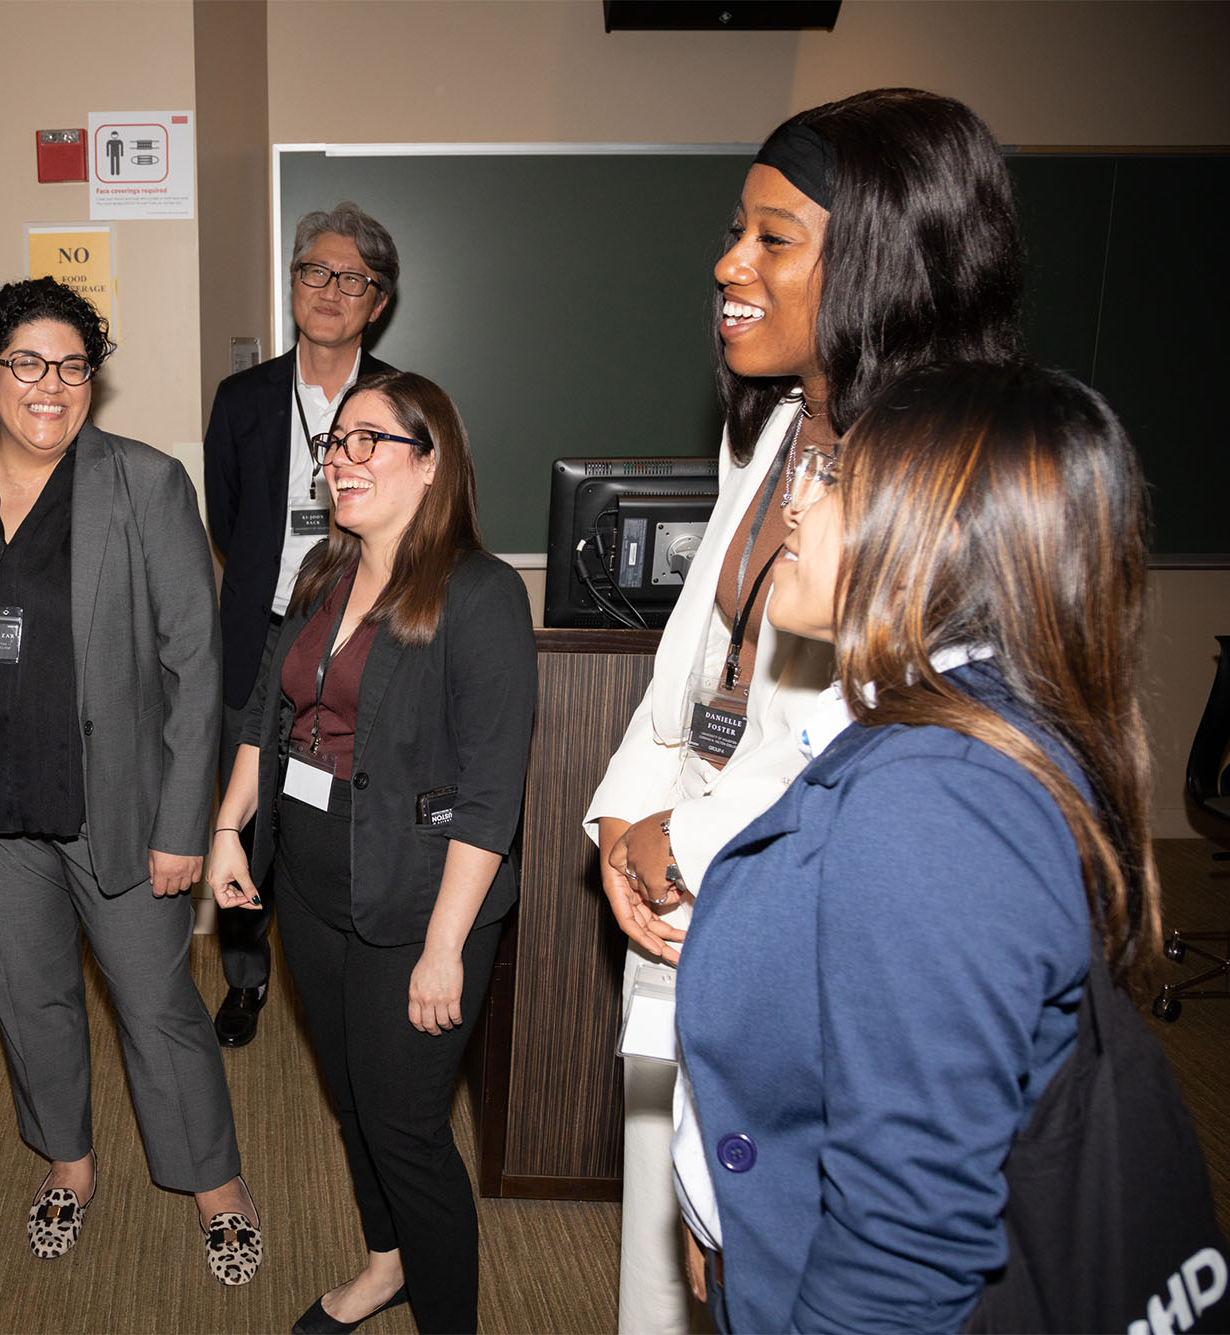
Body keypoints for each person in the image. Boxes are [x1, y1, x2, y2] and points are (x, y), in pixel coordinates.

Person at [580, 88, 1025, 1334]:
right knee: (668, 1266)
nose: (728, 263)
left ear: (887, 257)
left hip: (812, 967)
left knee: (781, 1272)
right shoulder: (771, 429)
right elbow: (689, 668)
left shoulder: (947, 494)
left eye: (774, 238)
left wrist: (696, 848)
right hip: (677, 911)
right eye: (736, 230)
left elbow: (895, 765)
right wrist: (619, 827)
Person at [679, 361, 1160, 1331]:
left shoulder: (935, 801)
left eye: (834, 480)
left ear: (926, 536)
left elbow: (906, 1238)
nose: (796, 508)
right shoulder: (952, 731)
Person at [0, 277, 259, 1283]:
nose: (52, 386)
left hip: (117, 811)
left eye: (74, 366)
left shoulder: (143, 482)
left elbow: (193, 663)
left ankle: (214, 1182)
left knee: (154, 1002)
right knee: (28, 997)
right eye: (28, 364)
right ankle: (67, 1167)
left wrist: (185, 822)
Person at [209, 370, 537, 1334]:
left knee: (408, 1134)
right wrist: (230, 827)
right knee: (354, 1100)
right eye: (335, 444)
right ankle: (385, 1262)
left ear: (430, 464)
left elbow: (491, 794)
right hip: (310, 886)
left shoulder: (480, 594)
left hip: (419, 903)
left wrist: (446, 945)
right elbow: (265, 714)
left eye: (368, 442)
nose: (341, 461)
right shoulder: (323, 571)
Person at [203, 201, 400, 1048]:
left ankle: (342, 963)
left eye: (351, 279)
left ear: (376, 301)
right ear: (294, 285)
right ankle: (246, 976)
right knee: (242, 816)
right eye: (315, 272)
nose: (330, 290)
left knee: (337, 807)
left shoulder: (397, 400)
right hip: (258, 640)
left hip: (354, 640)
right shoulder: (243, 398)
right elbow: (228, 518)